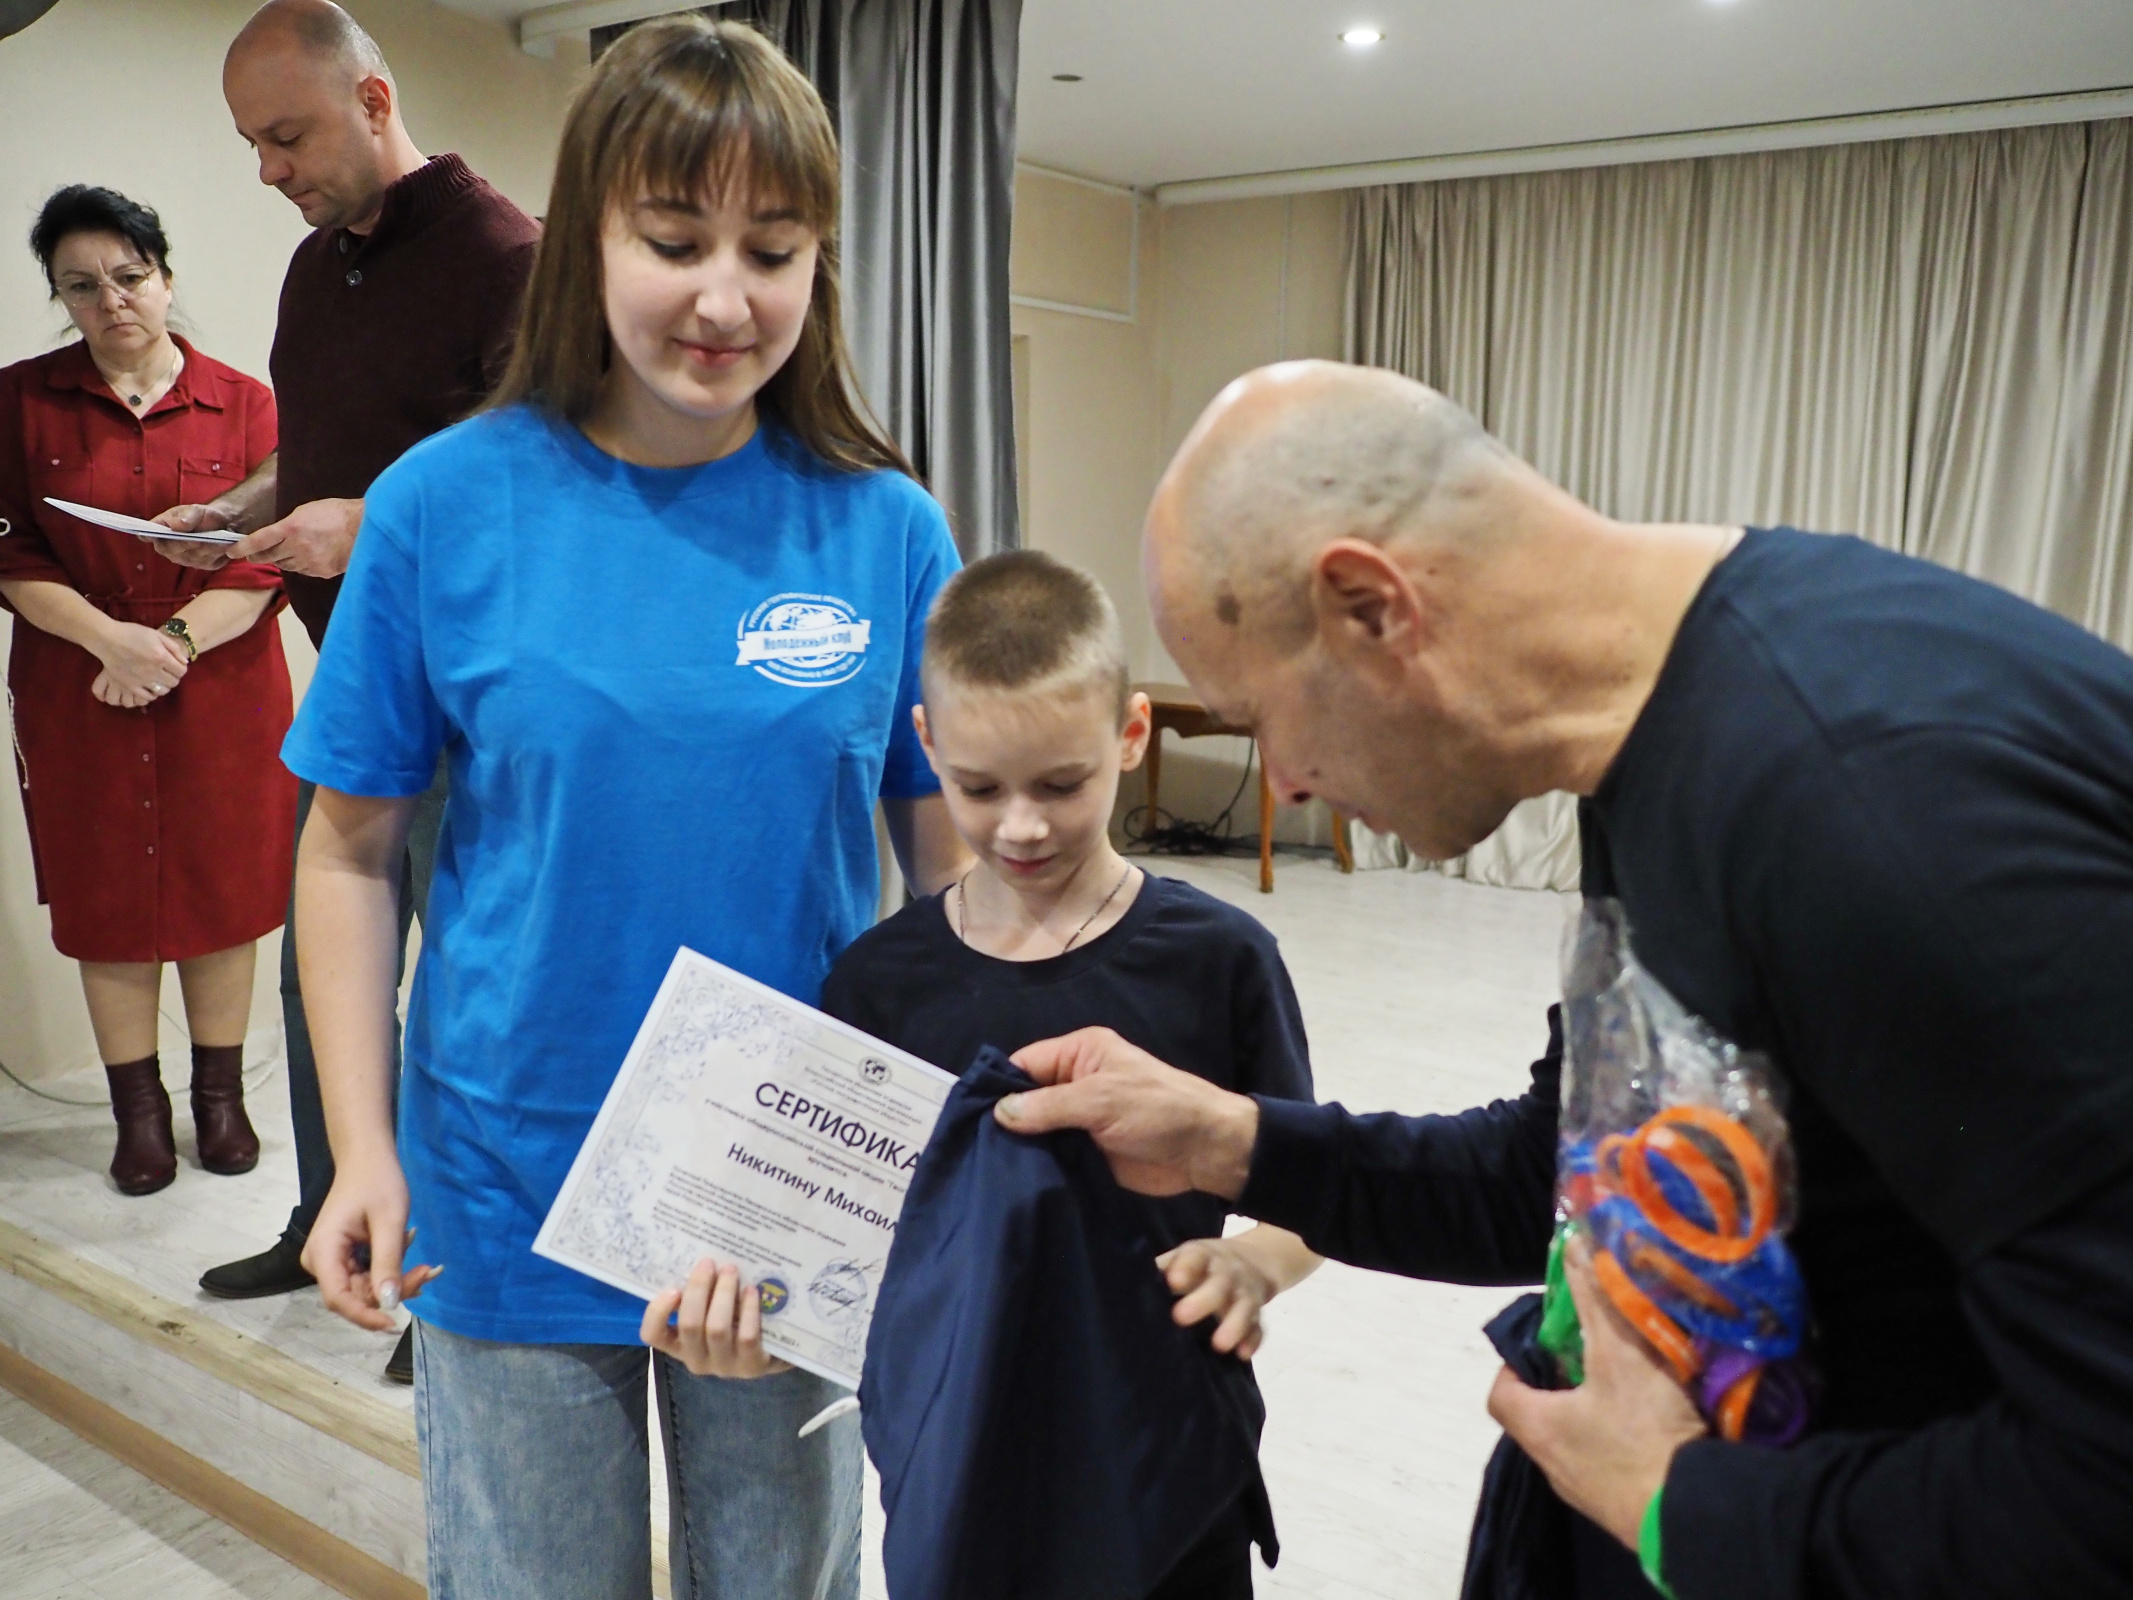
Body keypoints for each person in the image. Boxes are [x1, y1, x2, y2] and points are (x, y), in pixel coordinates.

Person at [995, 361, 2133, 1599]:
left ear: (1371, 608)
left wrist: (1685, 1510)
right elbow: (1577, 1170)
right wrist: (1232, 1142)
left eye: (1261, 719)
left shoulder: (1877, 811)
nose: (1283, 783)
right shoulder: (1660, 745)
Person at [286, 19, 966, 1600]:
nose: (726, 299)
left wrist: (944, 1168)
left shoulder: (884, 529)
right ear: (586, 235)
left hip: (778, 1187)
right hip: (502, 1173)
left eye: (772, 251)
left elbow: (953, 895)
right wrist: (361, 1149)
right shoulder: (443, 503)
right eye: (674, 241)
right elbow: (349, 851)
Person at [155, 0, 540, 1383]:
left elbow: (539, 484)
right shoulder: (318, 270)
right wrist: (242, 506)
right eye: (252, 146)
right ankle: (329, 1221)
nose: (270, 171)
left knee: (461, 1002)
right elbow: (327, 445)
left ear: (373, 102)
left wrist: (362, 524)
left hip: (476, 706)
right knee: (323, 982)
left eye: (287, 138)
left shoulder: (509, 259)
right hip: (360, 683)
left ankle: (448, 1287)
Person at [821, 549, 1323, 1600]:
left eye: (1061, 784)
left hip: (1168, 1457)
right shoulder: (878, 983)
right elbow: (838, 1239)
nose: (1021, 825)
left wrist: (1254, 1266)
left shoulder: (1220, 958)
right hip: (958, 1459)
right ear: (926, 743)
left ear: (1130, 735)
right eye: (978, 787)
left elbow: (1311, 1189)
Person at [0, 184, 292, 1196]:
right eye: (81, 286)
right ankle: (140, 1115)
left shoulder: (247, 403)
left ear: (165, 277)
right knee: (108, 897)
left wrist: (167, 643)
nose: (111, 301)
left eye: (129, 277)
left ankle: (222, 1100)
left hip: (218, 677)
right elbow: (11, 552)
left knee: (223, 888)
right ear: (58, 296)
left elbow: (264, 559)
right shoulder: (17, 402)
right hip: (78, 678)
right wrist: (108, 642)